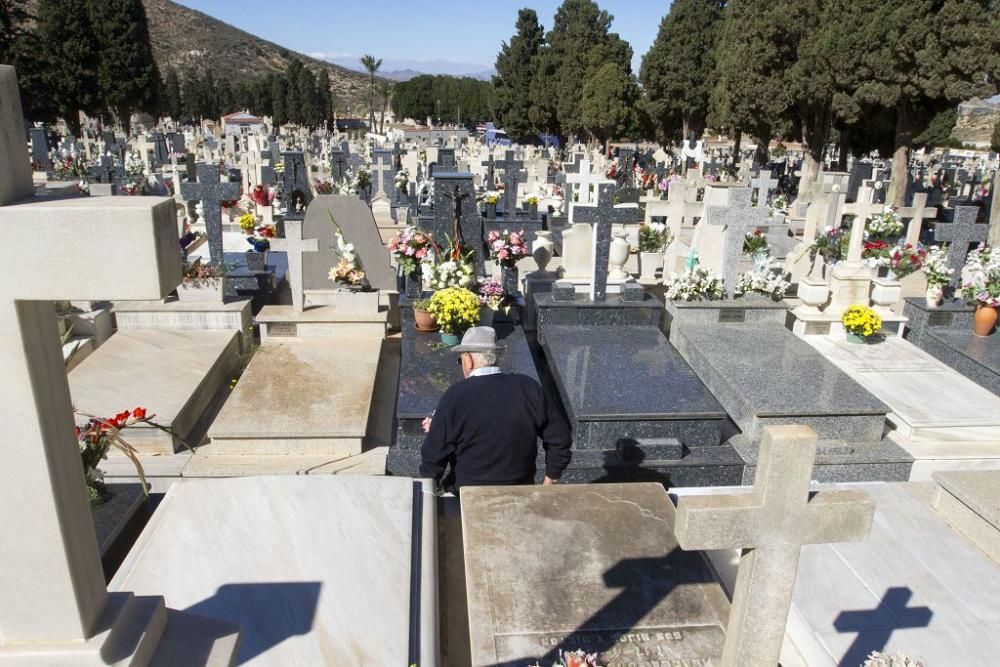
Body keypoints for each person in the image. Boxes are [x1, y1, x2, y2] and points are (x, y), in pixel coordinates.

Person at [419, 326, 572, 492]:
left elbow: (433, 458)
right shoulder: (528, 388)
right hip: (520, 490)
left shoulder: (456, 396)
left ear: (468, 359)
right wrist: (549, 484)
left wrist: (438, 431)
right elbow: (560, 439)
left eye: (460, 361)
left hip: (469, 496)